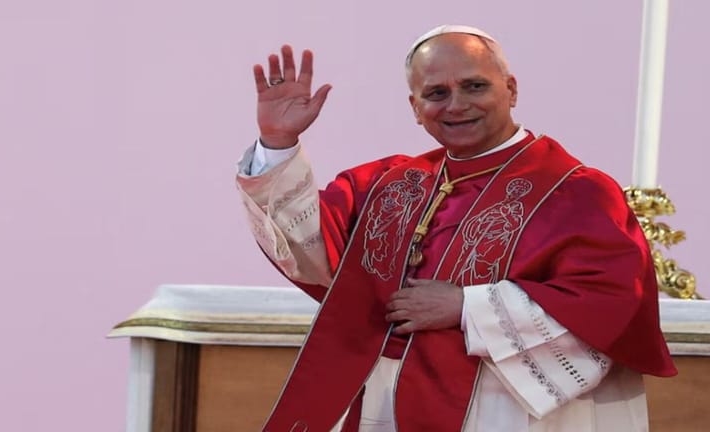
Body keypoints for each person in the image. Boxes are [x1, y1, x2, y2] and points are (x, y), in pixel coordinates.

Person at [236, 24, 676, 432]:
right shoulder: (387, 184)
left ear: (511, 89)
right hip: (382, 405)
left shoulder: (576, 192)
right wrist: (279, 143)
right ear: (415, 108)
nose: (457, 104)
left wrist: (468, 306)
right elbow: (307, 250)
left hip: (504, 410)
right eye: (436, 93)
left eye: (474, 86)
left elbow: (610, 304)